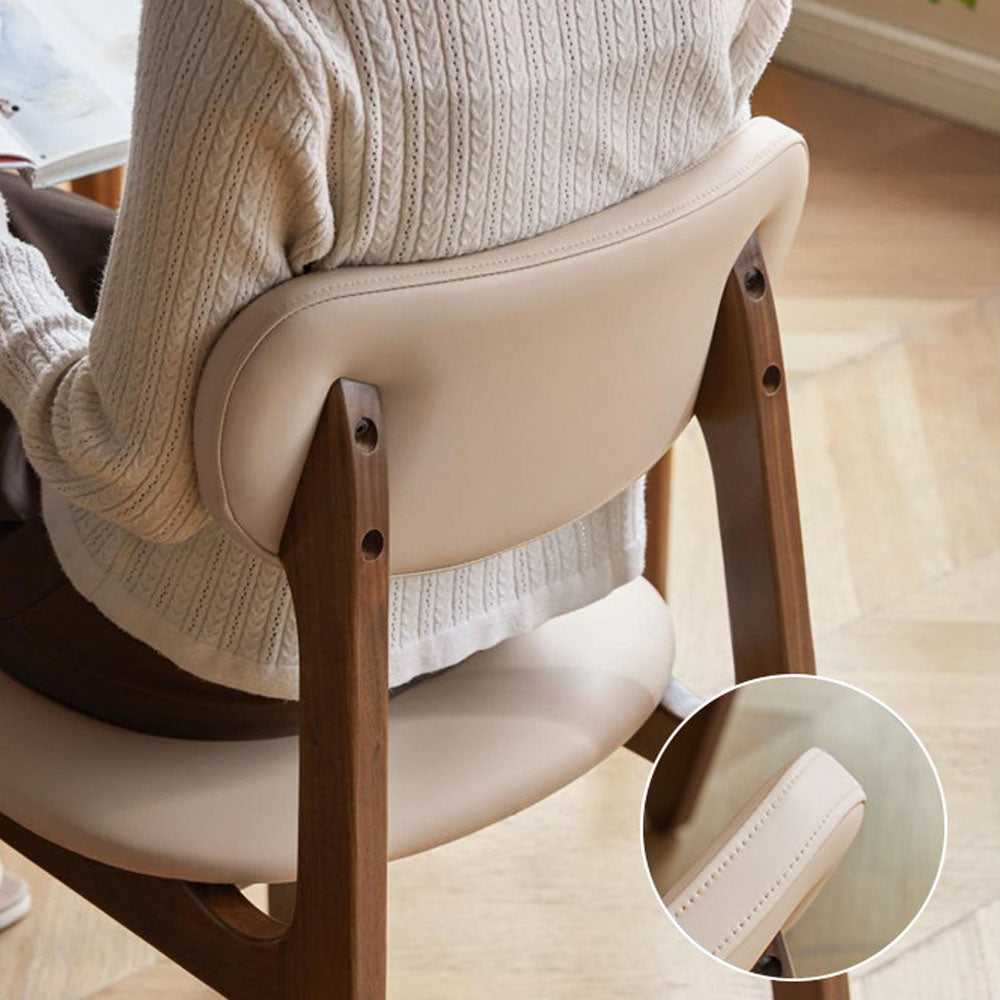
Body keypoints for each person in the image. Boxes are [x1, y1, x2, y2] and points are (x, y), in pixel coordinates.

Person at [0, 0, 791, 740]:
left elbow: (141, 484)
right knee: (69, 232)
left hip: (233, 652)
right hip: (543, 550)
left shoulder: (254, 18)